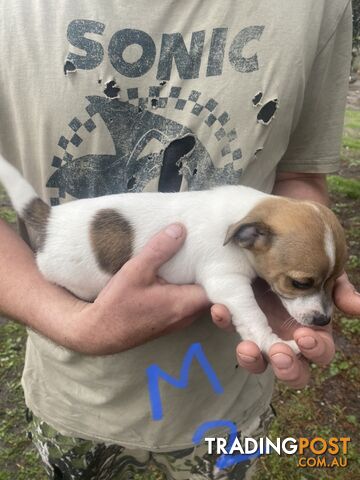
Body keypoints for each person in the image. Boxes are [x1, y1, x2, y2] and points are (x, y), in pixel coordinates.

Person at [0, 1, 359, 479]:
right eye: (304, 283)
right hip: (79, 397)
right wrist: (72, 323)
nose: (320, 307)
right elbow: (228, 282)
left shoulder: (317, 9)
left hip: (225, 402)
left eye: (319, 283)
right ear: (246, 236)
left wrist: (291, 276)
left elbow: (302, 181)